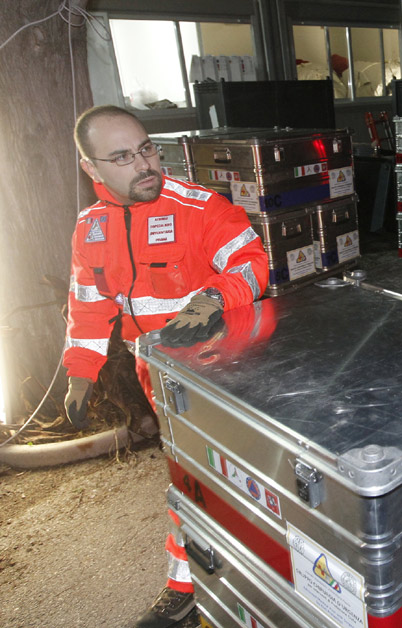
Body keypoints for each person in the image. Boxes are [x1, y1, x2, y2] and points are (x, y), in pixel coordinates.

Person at [64, 105, 269, 628]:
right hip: (155, 373)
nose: (145, 164)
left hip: (223, 372)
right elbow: (89, 306)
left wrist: (214, 300)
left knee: (213, 477)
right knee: (193, 476)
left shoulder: (198, 207)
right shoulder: (90, 229)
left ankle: (212, 580)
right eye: (124, 157)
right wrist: (81, 370)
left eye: (148, 148)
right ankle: (192, 581)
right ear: (93, 170)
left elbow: (252, 265)